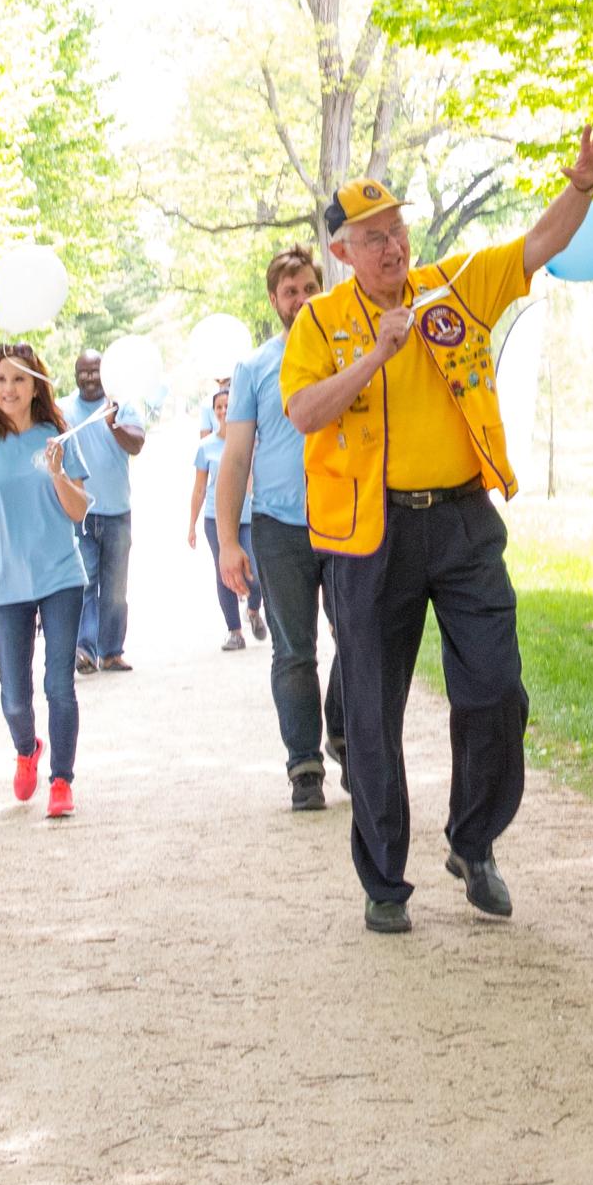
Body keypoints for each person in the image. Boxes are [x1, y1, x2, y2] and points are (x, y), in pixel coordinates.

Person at [287, 125, 593, 932]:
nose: (393, 246)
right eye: (373, 238)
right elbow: (303, 412)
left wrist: (581, 185)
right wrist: (371, 357)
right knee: (372, 712)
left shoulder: (453, 285)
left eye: (397, 230)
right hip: (372, 539)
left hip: (464, 520)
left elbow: (537, 244)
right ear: (342, 253)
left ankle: (475, 843)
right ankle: (384, 884)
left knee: (498, 689)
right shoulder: (321, 324)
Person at [215, 245, 340, 808]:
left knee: (361, 641)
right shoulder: (255, 367)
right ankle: (304, 767)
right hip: (278, 527)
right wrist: (226, 542)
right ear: (274, 301)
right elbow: (236, 458)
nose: (302, 299)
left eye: (310, 287)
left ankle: (343, 733)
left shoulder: (346, 350)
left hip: (346, 519)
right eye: (291, 292)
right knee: (294, 649)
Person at [0, 341, 95, 813]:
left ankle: (62, 781)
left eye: (19, 378)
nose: (8, 388)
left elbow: (79, 510)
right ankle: (26, 749)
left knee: (59, 684)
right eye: (1, 379)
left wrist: (59, 473)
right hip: (3, 583)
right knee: (15, 696)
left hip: (60, 576)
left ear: (36, 385)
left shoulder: (58, 437)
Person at [67, 349, 150, 672]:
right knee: (85, 583)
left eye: (94, 371)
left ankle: (112, 651)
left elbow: (137, 444)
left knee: (115, 590)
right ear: (75, 375)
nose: (89, 377)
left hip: (117, 511)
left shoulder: (122, 405)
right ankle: (85, 650)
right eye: (83, 372)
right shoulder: (64, 408)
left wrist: (113, 425)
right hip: (80, 514)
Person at [190, 381, 252, 648]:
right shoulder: (206, 447)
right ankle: (234, 630)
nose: (224, 410)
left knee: (256, 571)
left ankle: (253, 609)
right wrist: (191, 524)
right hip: (216, 517)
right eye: (219, 407)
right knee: (224, 572)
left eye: (228, 405)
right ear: (214, 411)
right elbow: (199, 488)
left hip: (248, 515)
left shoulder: (251, 440)